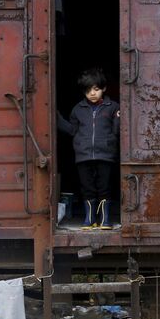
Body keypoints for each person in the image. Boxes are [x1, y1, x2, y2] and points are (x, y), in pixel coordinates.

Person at [57, 68, 119, 229]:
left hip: (105, 155)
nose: (92, 93)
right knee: (87, 188)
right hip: (83, 156)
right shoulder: (78, 109)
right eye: (88, 90)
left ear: (103, 88)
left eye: (96, 89)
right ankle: (90, 219)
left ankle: (105, 220)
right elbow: (72, 130)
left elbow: (117, 131)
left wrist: (118, 121)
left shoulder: (112, 107)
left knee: (104, 187)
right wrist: (56, 117)